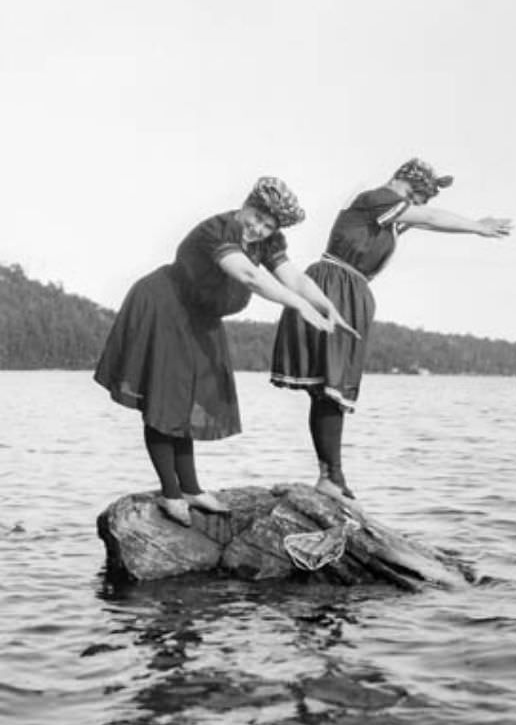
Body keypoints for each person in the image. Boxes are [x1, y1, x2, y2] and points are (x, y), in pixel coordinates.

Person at [95, 176, 349, 527]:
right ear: (246, 204)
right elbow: (248, 277)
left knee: (189, 401)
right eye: (256, 216)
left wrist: (323, 305)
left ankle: (192, 488)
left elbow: (294, 278)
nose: (257, 228)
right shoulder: (218, 230)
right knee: (163, 401)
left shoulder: (268, 241)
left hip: (198, 317)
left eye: (267, 225)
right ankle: (171, 493)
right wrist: (297, 307)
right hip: (164, 306)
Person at [270, 157, 513, 504]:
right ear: (404, 185)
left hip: (346, 287)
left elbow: (427, 222)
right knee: (329, 387)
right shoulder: (379, 198)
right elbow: (428, 217)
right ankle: (331, 476)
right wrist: (477, 226)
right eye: (415, 197)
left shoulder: (389, 215)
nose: (416, 206)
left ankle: (331, 475)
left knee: (331, 390)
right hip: (335, 286)